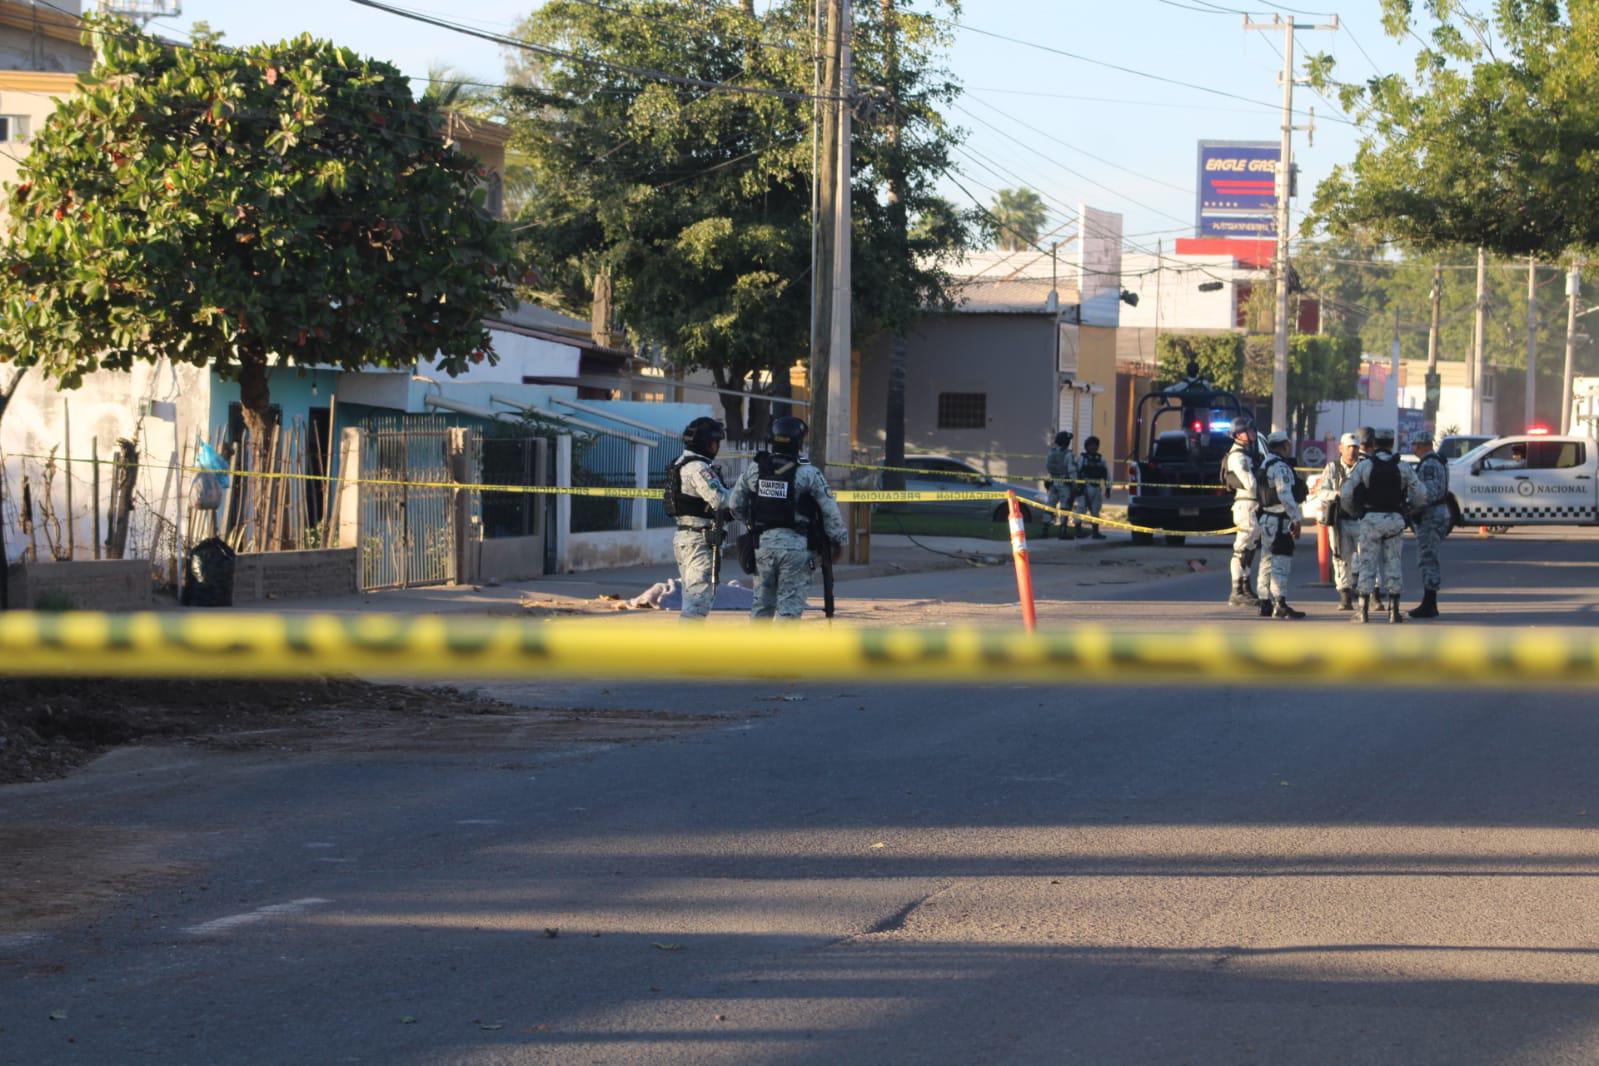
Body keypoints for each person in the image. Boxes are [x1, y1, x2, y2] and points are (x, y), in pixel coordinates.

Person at [729, 415, 846, 621]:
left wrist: (751, 522)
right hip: (797, 548)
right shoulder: (809, 473)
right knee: (789, 609)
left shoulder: (754, 469)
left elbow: (735, 505)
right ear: (799, 443)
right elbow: (830, 511)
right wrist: (838, 541)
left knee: (761, 607)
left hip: (762, 545)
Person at [1340, 427, 1426, 624]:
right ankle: (1394, 611)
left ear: (1374, 444)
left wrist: (1355, 512)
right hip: (1394, 519)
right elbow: (1421, 494)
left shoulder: (1364, 466)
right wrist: (1409, 510)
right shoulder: (1403, 467)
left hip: (1370, 519)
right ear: (1392, 444)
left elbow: (1346, 493)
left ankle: (1362, 612)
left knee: (1367, 564)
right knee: (1393, 562)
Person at [665, 416, 730, 620]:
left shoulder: (680, 462)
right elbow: (720, 500)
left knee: (691, 600)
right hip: (699, 541)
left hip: (686, 537)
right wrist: (744, 491)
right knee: (697, 605)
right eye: (715, 442)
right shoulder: (699, 468)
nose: (716, 446)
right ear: (708, 443)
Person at [1255, 430, 1306, 619]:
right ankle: (1280, 603)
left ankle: (1264, 602)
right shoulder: (1280, 467)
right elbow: (1285, 494)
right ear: (1284, 445)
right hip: (1279, 520)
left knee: (1266, 561)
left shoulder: (1264, 464)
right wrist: (1296, 518)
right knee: (1281, 562)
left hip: (1267, 519)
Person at [1315, 432, 1363, 610]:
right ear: (1340, 448)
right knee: (1340, 559)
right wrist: (1336, 494)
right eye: (1349, 447)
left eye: (1355, 447)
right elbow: (1322, 492)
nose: (1352, 451)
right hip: (1339, 522)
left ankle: (1372, 594)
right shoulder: (1332, 468)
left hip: (1360, 520)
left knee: (1367, 557)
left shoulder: (1364, 467)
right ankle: (1345, 595)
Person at [1408, 430, 1451, 619]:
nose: (1413, 449)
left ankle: (1430, 603)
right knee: (1429, 556)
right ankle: (1428, 601)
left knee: (1427, 557)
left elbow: (1429, 493)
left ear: (1421, 445)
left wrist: (1413, 506)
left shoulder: (1429, 464)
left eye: (1415, 445)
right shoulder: (1437, 460)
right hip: (1437, 513)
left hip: (1430, 516)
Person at [1222, 413, 1262, 607]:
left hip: (1253, 505)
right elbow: (1250, 483)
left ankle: (1246, 587)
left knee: (1250, 549)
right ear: (1239, 434)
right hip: (1245, 504)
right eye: (1249, 430)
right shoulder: (1238, 457)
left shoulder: (1248, 454)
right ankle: (1236, 591)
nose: (1253, 433)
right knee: (1241, 549)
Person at [1072, 436, 1109, 539]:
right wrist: (1077, 486)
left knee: (1096, 510)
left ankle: (1095, 532)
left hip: (1096, 488)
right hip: (1085, 487)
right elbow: (1076, 472)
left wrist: (1108, 488)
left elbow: (1106, 474)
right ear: (1087, 446)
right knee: (1081, 508)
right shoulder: (1082, 459)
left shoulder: (1101, 459)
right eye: (1091, 445)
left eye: (1095, 445)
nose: (1093, 447)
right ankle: (1078, 530)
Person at [1045, 431, 1078, 540]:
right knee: (1065, 506)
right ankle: (1062, 531)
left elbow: (1047, 467)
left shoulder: (1051, 453)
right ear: (1067, 442)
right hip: (1064, 483)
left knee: (1050, 506)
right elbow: (1072, 470)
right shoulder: (1068, 455)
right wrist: (1075, 484)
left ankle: (1045, 530)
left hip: (1053, 482)